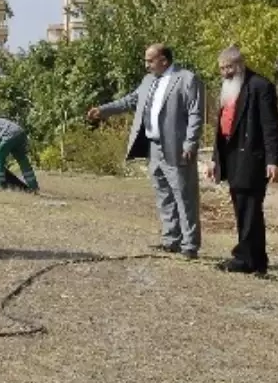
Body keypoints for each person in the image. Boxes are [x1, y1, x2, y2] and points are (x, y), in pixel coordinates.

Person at [87, 44, 205, 259]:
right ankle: (171, 239)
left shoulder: (187, 79)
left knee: (184, 195)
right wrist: (103, 110)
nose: (146, 65)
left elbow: (195, 114)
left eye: (150, 61)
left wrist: (190, 143)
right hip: (154, 146)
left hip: (177, 147)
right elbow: (130, 101)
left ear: (164, 60)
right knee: (164, 194)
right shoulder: (148, 81)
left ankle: (190, 245)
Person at [206, 46, 278, 276]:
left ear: (239, 65)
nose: (225, 72)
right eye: (221, 68)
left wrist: (273, 160)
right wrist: (214, 159)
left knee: (250, 209)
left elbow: (271, 127)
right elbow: (220, 129)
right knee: (242, 209)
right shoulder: (228, 89)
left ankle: (249, 259)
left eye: (229, 67)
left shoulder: (260, 86)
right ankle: (252, 258)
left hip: (252, 157)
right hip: (231, 158)